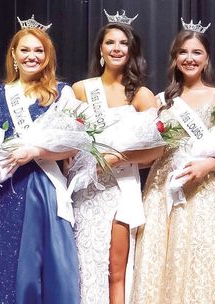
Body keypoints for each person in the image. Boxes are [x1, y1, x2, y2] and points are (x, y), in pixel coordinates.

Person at [0, 17, 80, 303]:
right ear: (13, 55)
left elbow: (73, 147)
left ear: (47, 56)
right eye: (25, 50)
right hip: (0, 192)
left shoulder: (62, 92)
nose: (31, 57)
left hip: (41, 190)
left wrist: (36, 152)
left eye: (39, 51)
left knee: (36, 268)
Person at [131, 21, 215, 303]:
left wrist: (209, 166)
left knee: (198, 260)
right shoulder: (161, 100)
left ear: (207, 58)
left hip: (202, 190)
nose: (189, 58)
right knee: (159, 258)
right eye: (183, 52)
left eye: (197, 52)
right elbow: (151, 148)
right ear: (175, 59)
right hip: (161, 187)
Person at [71, 11, 160, 304]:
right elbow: (69, 140)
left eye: (123, 43)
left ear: (131, 50)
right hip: (87, 187)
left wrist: (117, 156)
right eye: (110, 42)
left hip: (121, 187)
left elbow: (158, 149)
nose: (116, 48)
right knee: (85, 263)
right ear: (100, 48)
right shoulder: (81, 90)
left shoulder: (142, 95)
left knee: (115, 269)